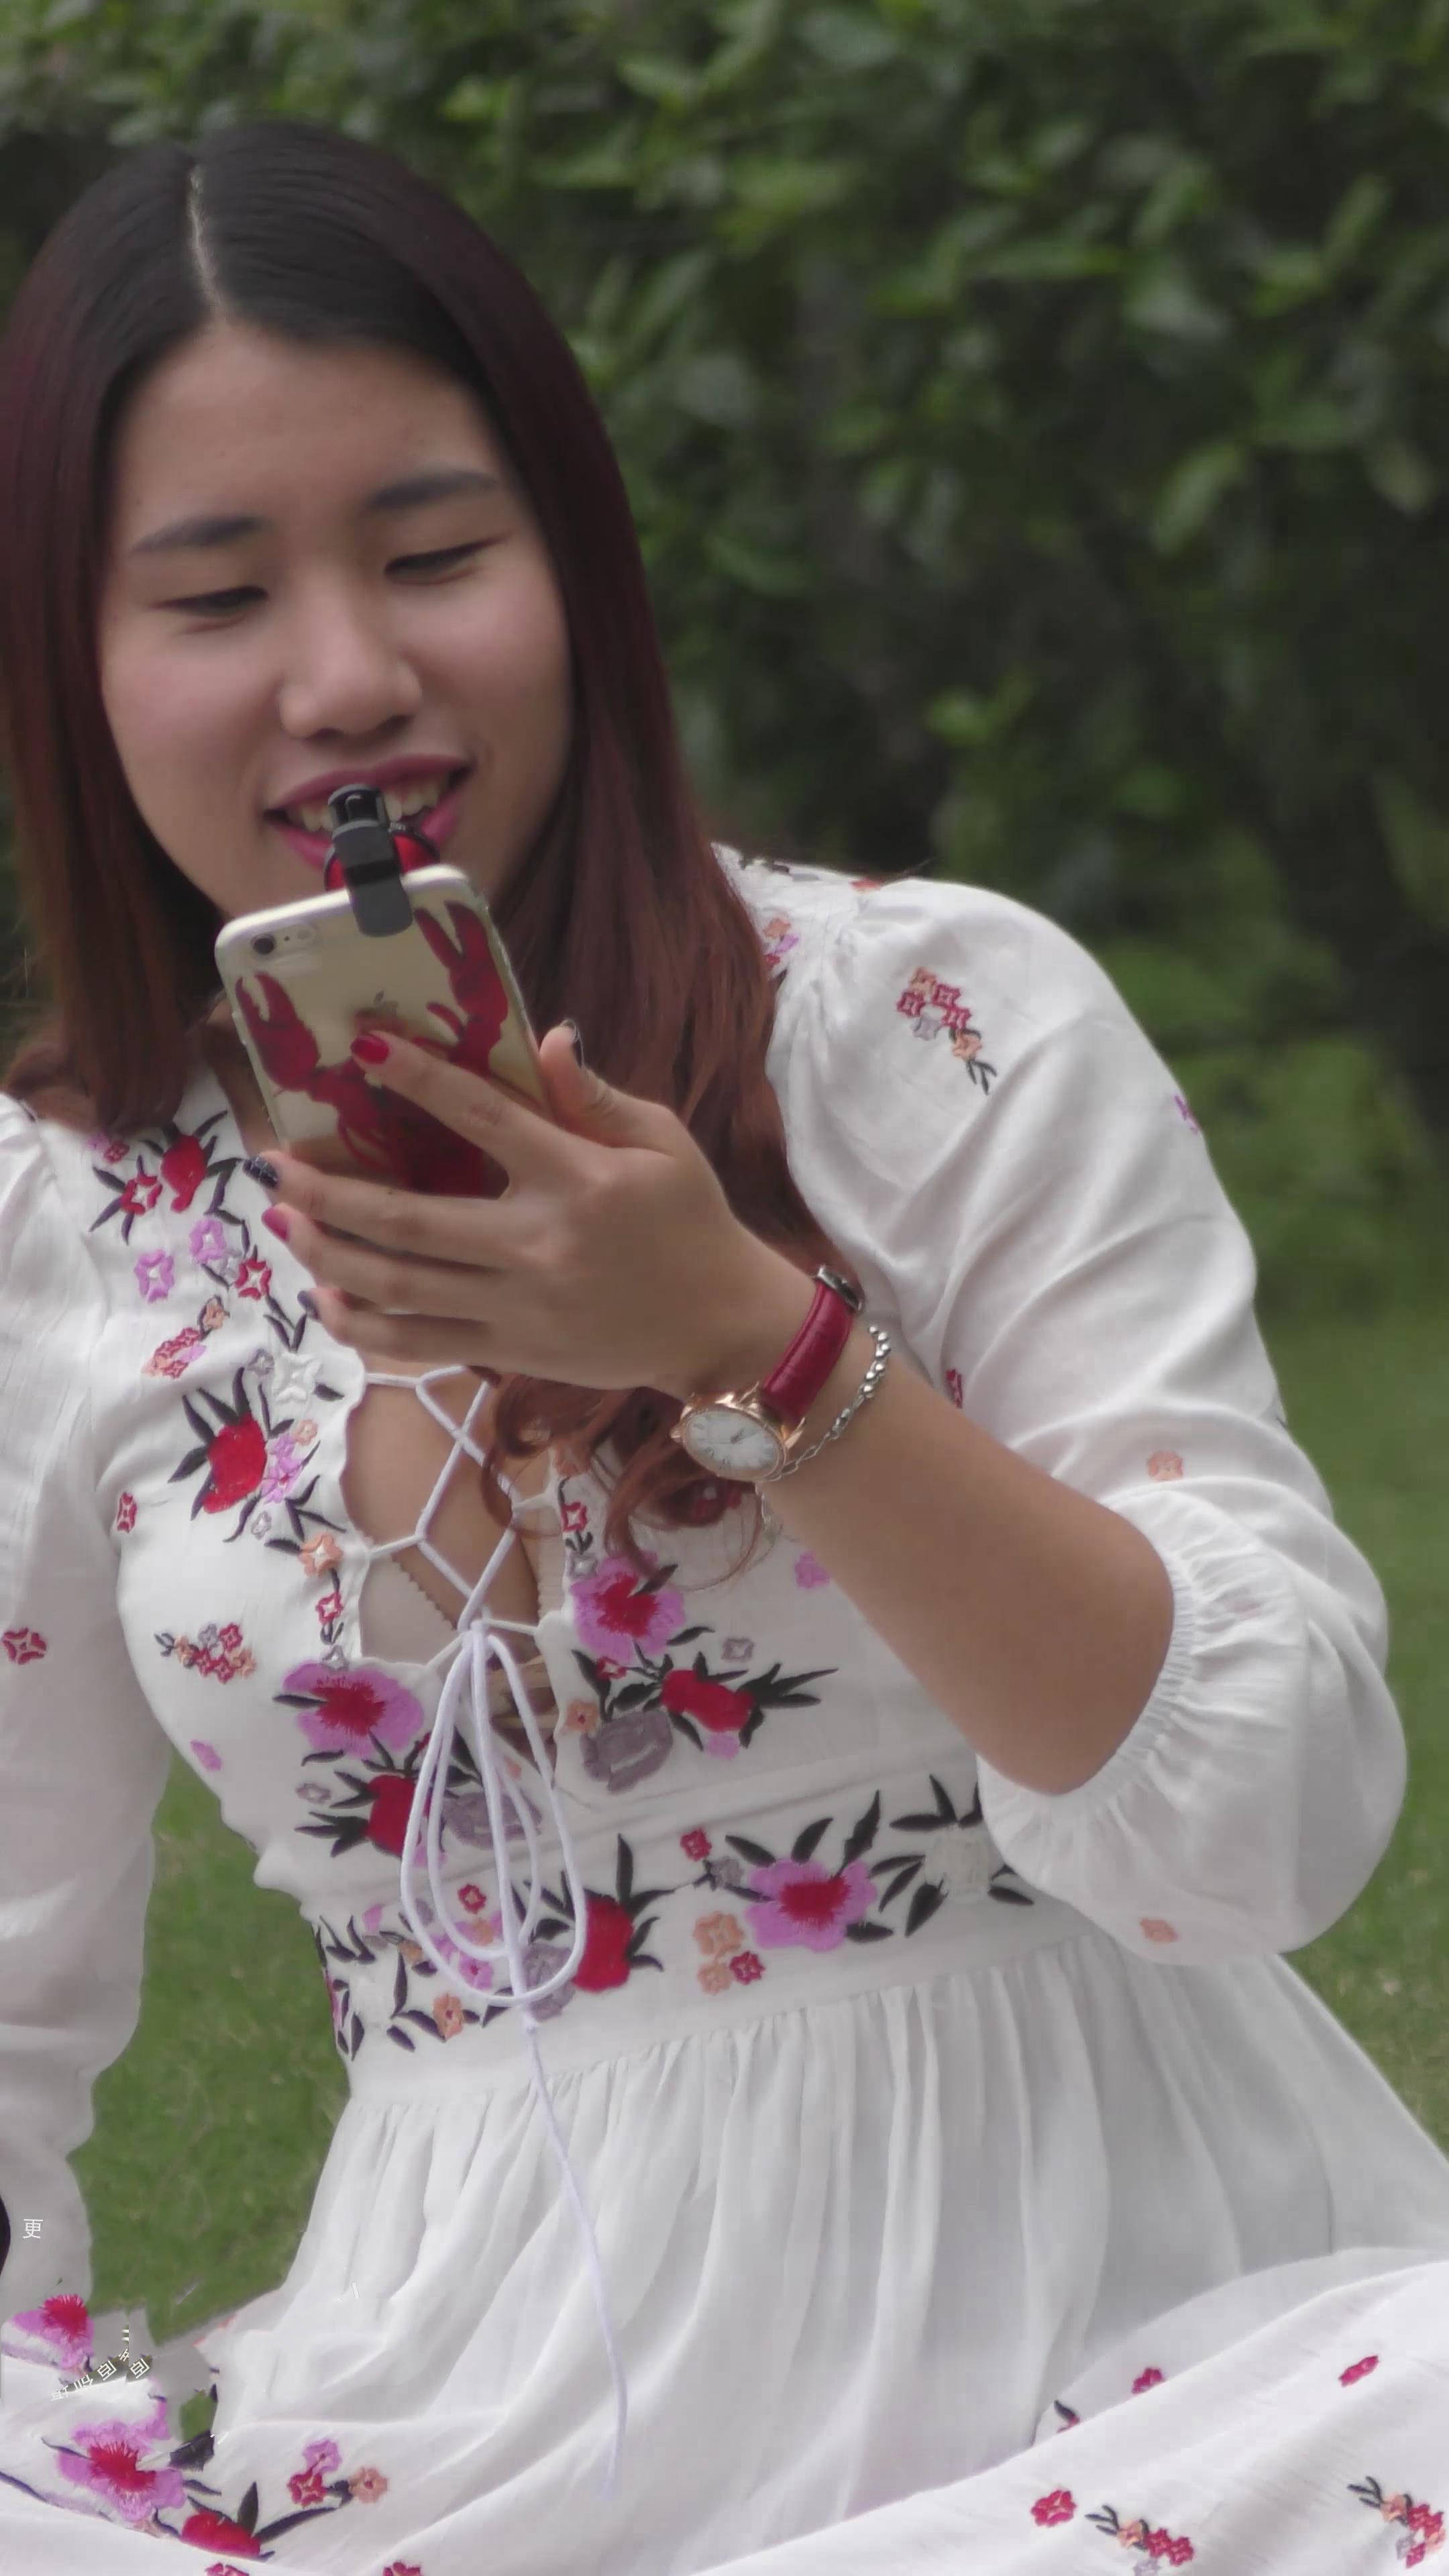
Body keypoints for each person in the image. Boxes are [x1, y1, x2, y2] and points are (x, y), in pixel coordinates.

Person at [0, 118, 1446, 2576]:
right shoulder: (58, 1241)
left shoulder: (936, 1028)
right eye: (218, 595)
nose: (350, 679)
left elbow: (1264, 1830)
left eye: (435, 556)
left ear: (579, 565)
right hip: (468, 2434)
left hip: (1138, 2358)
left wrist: (761, 1354)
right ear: (73, 664)